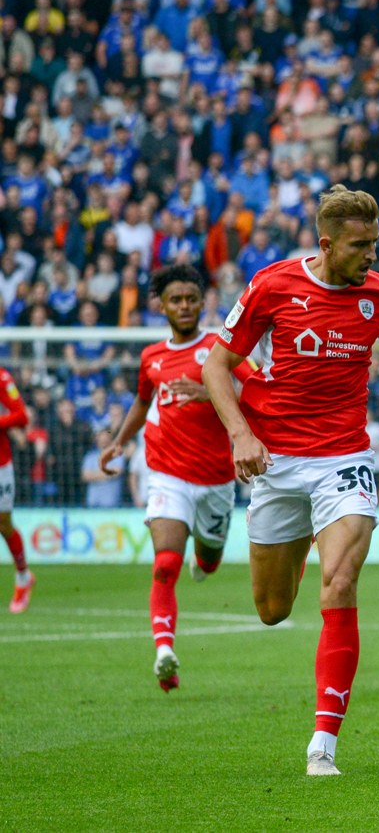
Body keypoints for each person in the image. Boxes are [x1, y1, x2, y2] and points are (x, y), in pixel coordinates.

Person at [201, 187, 379, 776]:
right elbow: (215, 365)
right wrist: (241, 435)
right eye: (360, 246)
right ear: (326, 244)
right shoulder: (272, 286)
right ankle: (295, 542)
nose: (371, 256)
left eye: (375, 244)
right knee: (273, 609)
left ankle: (323, 743)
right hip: (276, 463)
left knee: (341, 582)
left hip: (344, 459)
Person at [101, 263, 255, 691]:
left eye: (191, 298)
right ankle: (164, 649)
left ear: (203, 301)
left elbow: (261, 389)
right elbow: (141, 400)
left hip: (217, 481)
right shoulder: (152, 357)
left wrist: (213, 392)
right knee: (165, 564)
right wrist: (118, 442)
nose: (185, 306)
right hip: (167, 475)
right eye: (176, 300)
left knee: (207, 561)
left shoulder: (223, 348)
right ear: (161, 305)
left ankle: (203, 559)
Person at [0, 362, 31, 613]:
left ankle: (23, 576)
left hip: (1, 464)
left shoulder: (2, 377)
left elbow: (22, 416)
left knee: (3, 524)